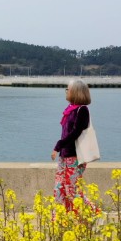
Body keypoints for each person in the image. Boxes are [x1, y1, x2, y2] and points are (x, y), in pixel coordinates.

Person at [51, 79, 94, 213]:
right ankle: (61, 218)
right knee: (59, 188)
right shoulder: (70, 109)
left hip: (75, 157)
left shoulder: (82, 110)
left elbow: (75, 132)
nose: (66, 91)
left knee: (73, 191)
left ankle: (92, 215)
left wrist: (58, 145)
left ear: (75, 92)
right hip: (65, 156)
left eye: (67, 89)